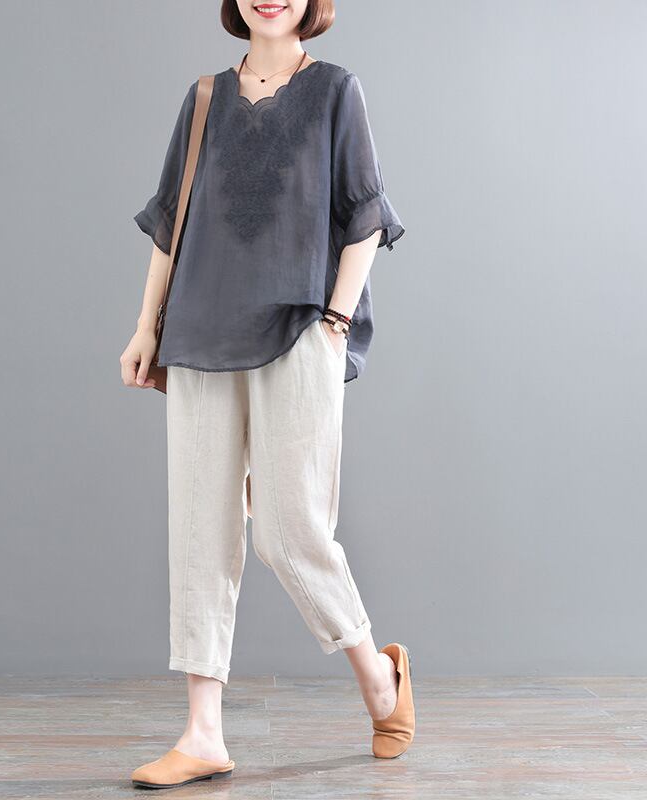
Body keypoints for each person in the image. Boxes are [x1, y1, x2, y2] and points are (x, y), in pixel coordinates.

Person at [121, 0, 414, 789]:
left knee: (290, 531)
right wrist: (146, 326)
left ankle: (378, 677)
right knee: (200, 533)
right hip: (199, 333)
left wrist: (336, 320)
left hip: (299, 329)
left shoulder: (336, 91)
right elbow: (171, 228)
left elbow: (364, 217)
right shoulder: (205, 98)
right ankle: (202, 733)